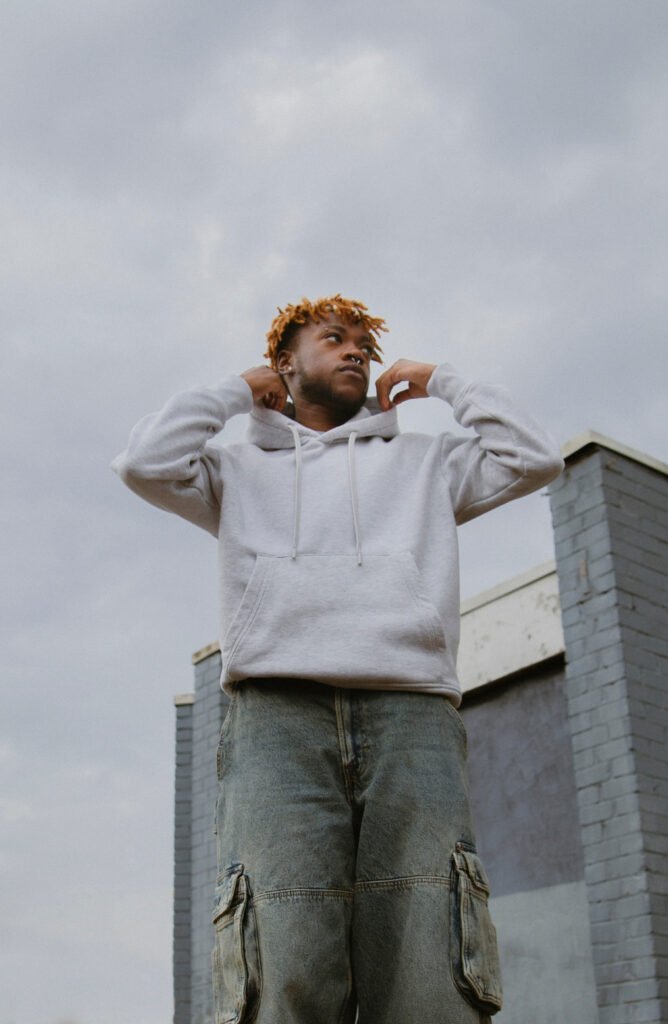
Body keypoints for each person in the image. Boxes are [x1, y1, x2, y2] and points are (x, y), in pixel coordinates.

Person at [113, 294, 564, 1024]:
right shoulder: (235, 469)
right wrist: (235, 391)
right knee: (283, 953)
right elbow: (143, 462)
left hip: (411, 709)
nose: (356, 350)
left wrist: (443, 380)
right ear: (284, 363)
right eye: (333, 337)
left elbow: (536, 457)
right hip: (275, 719)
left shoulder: (425, 461)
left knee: (430, 953)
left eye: (364, 344)